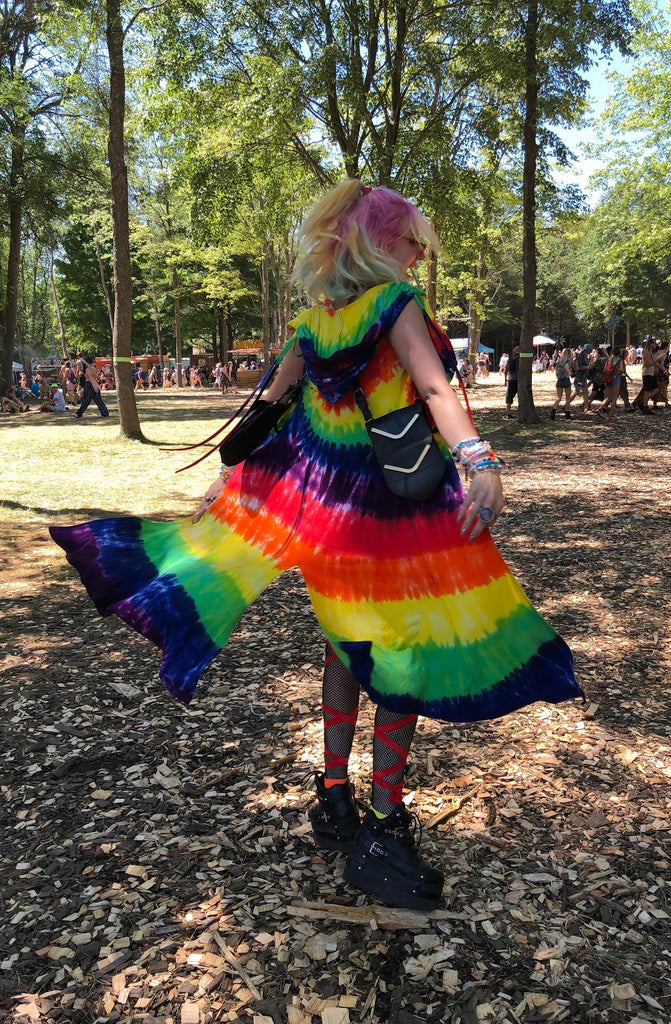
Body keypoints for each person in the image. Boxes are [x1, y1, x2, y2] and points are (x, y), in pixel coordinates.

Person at [50, 180, 580, 911]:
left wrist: (225, 485)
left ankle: (334, 800)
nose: (421, 251)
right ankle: (385, 827)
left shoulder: (312, 325)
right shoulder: (398, 307)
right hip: (393, 522)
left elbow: (265, 412)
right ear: (381, 244)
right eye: (413, 239)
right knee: (401, 660)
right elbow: (434, 391)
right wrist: (479, 460)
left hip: (325, 524)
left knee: (344, 650)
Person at [550, 347, 573, 420]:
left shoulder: (559, 361)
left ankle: (553, 411)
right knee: (567, 398)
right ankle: (567, 414)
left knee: (559, 398)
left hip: (559, 380)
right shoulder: (569, 362)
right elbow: (567, 371)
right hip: (566, 380)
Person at [503, 345, 520, 418]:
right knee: (521, 396)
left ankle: (508, 413)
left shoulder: (510, 359)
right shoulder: (521, 359)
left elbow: (506, 368)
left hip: (511, 379)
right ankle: (520, 412)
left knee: (509, 396)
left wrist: (505, 379)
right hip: (519, 380)